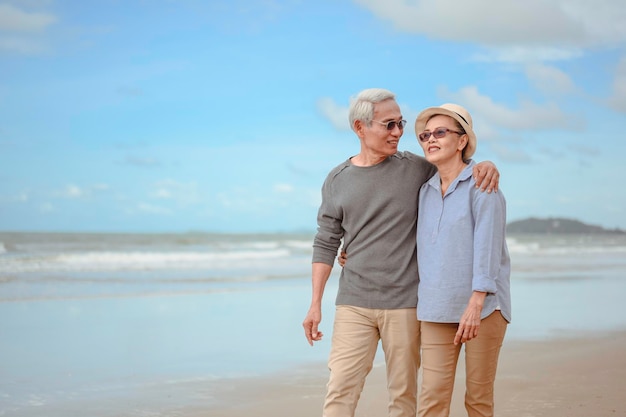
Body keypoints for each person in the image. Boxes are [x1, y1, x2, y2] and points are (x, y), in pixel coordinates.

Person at [301, 88, 500, 417]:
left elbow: (456, 169)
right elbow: (326, 240)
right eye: (389, 124)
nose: (398, 132)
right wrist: (314, 304)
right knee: (341, 387)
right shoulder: (337, 179)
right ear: (360, 128)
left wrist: (487, 164)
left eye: (400, 123)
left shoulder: (417, 169)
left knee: (404, 393)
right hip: (354, 302)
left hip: (407, 303)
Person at [414, 103, 511, 417]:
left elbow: (488, 247)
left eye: (440, 132)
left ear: (462, 141)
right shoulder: (423, 191)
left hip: (483, 310)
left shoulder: (484, 186)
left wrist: (477, 300)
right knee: (431, 401)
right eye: (425, 135)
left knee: (478, 400)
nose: (431, 139)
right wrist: (351, 252)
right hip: (435, 309)